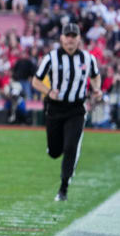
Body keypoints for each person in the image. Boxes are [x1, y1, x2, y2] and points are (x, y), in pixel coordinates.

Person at [32, 23, 103, 202]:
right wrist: (48, 92)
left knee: (70, 147)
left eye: (74, 36)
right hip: (55, 109)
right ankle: (58, 151)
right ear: (62, 38)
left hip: (76, 109)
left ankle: (63, 188)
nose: (70, 39)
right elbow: (36, 81)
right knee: (55, 151)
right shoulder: (51, 58)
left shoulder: (88, 58)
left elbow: (95, 75)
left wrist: (97, 89)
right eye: (67, 36)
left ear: (79, 39)